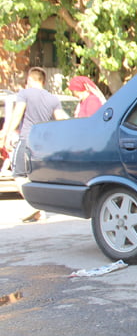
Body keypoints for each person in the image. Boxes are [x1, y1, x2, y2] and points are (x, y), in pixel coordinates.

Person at [1, 67, 69, 222]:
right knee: (36, 177)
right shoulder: (53, 99)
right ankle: (40, 212)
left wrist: (6, 134)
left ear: (30, 80)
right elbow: (61, 121)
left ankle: (34, 205)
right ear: (43, 81)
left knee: (18, 175)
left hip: (27, 139)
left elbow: (18, 113)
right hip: (44, 143)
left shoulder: (24, 94)